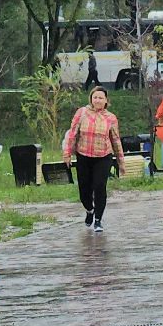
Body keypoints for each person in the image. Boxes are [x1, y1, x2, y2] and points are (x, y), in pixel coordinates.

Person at [63, 86, 124, 232]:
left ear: (106, 101)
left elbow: (116, 140)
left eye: (101, 98)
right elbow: (72, 134)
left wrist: (121, 162)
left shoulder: (111, 118)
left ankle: (98, 220)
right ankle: (89, 210)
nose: (97, 100)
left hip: (103, 156)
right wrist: (67, 153)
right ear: (91, 99)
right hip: (83, 155)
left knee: (99, 186)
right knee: (84, 189)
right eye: (95, 97)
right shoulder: (82, 113)